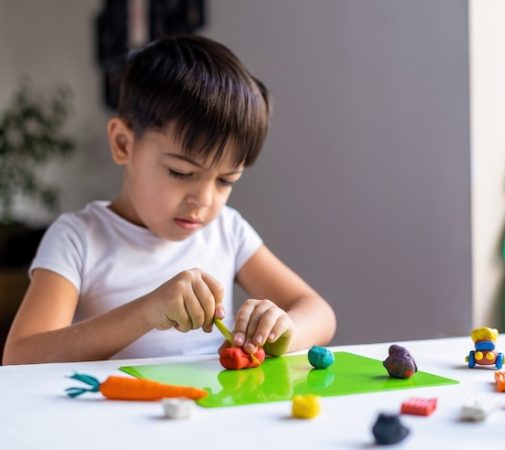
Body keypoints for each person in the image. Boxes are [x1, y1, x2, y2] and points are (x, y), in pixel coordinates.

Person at [3, 35, 336, 365]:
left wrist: (284, 329)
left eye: (225, 180)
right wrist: (146, 312)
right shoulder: (78, 238)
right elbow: (21, 356)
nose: (203, 200)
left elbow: (319, 313)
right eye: (180, 172)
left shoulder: (227, 230)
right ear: (123, 144)